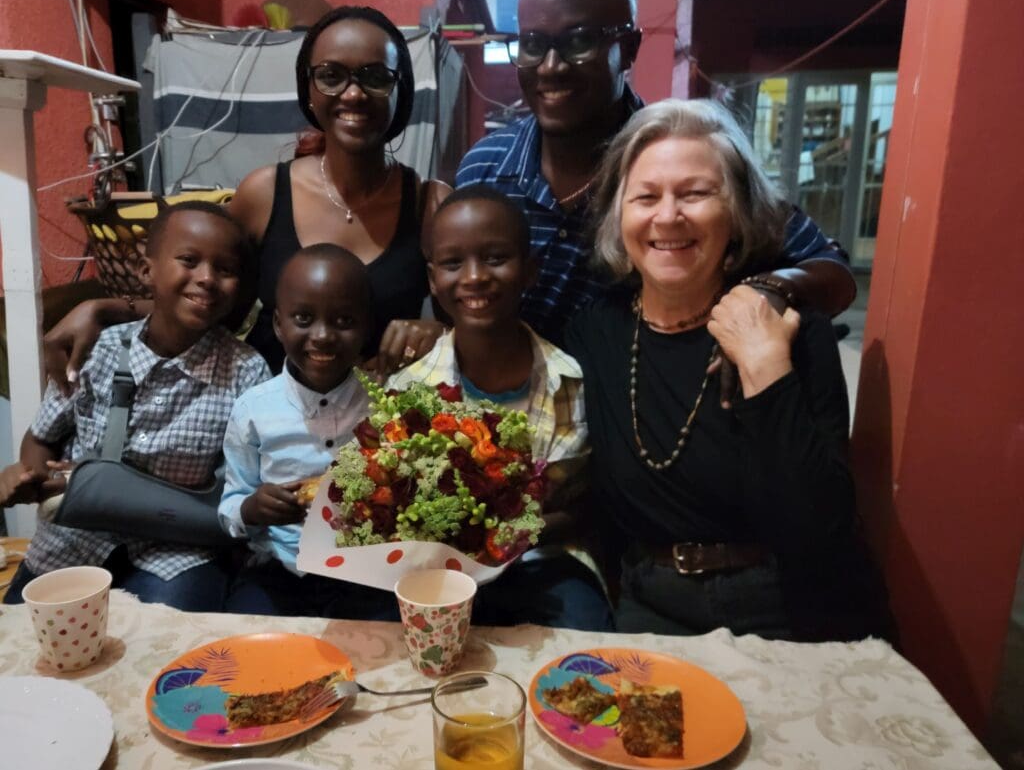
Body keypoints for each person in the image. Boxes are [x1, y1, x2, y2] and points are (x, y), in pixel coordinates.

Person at [456, 0, 857, 405]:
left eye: (579, 40)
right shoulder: (486, 170)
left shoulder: (679, 162)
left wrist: (770, 290)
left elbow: (834, 275)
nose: (551, 66)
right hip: (509, 431)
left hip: (643, 431)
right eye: (532, 43)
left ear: (628, 48)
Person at [564, 99, 888, 641]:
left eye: (695, 194)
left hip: (787, 600)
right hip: (651, 604)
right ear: (620, 214)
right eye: (646, 197)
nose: (668, 216)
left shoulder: (792, 329)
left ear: (736, 211)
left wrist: (764, 363)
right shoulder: (595, 333)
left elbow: (821, 529)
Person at [42, 6, 450, 390]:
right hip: (265, 423)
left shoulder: (430, 205)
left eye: (375, 77)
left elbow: (482, 325)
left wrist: (440, 333)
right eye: (331, 75)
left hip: (380, 434)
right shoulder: (266, 193)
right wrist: (102, 309)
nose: (354, 94)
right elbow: (207, 302)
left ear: (401, 90)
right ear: (308, 89)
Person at [0, 202, 271, 610]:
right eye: (189, 260)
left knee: (166, 646)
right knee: (27, 640)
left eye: (226, 269)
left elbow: (244, 484)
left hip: (178, 549)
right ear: (147, 271)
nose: (207, 279)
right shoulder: (97, 350)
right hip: (75, 539)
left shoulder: (245, 372)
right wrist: (28, 476)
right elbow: (42, 437)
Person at [388, 185, 612, 631]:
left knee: (586, 646)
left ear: (529, 271)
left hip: (546, 563)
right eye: (453, 264)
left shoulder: (570, 381)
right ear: (432, 279)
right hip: (444, 569)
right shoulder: (409, 390)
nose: (474, 277)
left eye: (495, 258)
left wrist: (520, 531)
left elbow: (589, 502)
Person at [218, 244, 398, 619]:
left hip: (367, 572)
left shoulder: (386, 408)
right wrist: (252, 508)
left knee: (386, 651)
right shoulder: (253, 410)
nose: (322, 336)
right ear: (278, 325)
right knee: (246, 643)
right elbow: (231, 503)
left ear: (367, 327)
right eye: (303, 318)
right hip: (280, 569)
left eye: (344, 321)